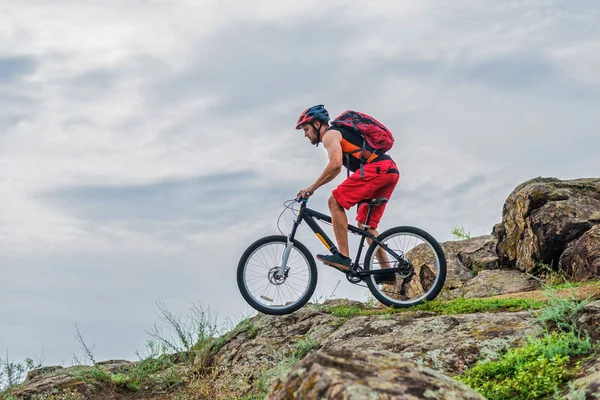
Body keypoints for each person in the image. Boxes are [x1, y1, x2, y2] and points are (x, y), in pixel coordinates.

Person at [295, 104, 400, 283]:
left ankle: (343, 257)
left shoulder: (330, 135)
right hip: (389, 170)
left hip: (379, 169)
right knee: (365, 225)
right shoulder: (337, 134)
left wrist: (311, 188)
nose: (305, 134)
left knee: (335, 201)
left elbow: (335, 165)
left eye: (306, 129)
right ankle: (387, 272)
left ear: (318, 124)